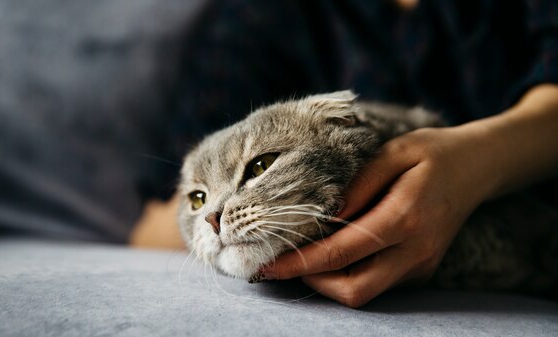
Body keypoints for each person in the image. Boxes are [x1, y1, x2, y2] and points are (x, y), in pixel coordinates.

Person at [133, 0, 558, 307]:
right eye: (202, 201)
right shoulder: (257, 17)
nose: (214, 213)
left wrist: (474, 163)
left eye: (258, 166)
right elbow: (155, 228)